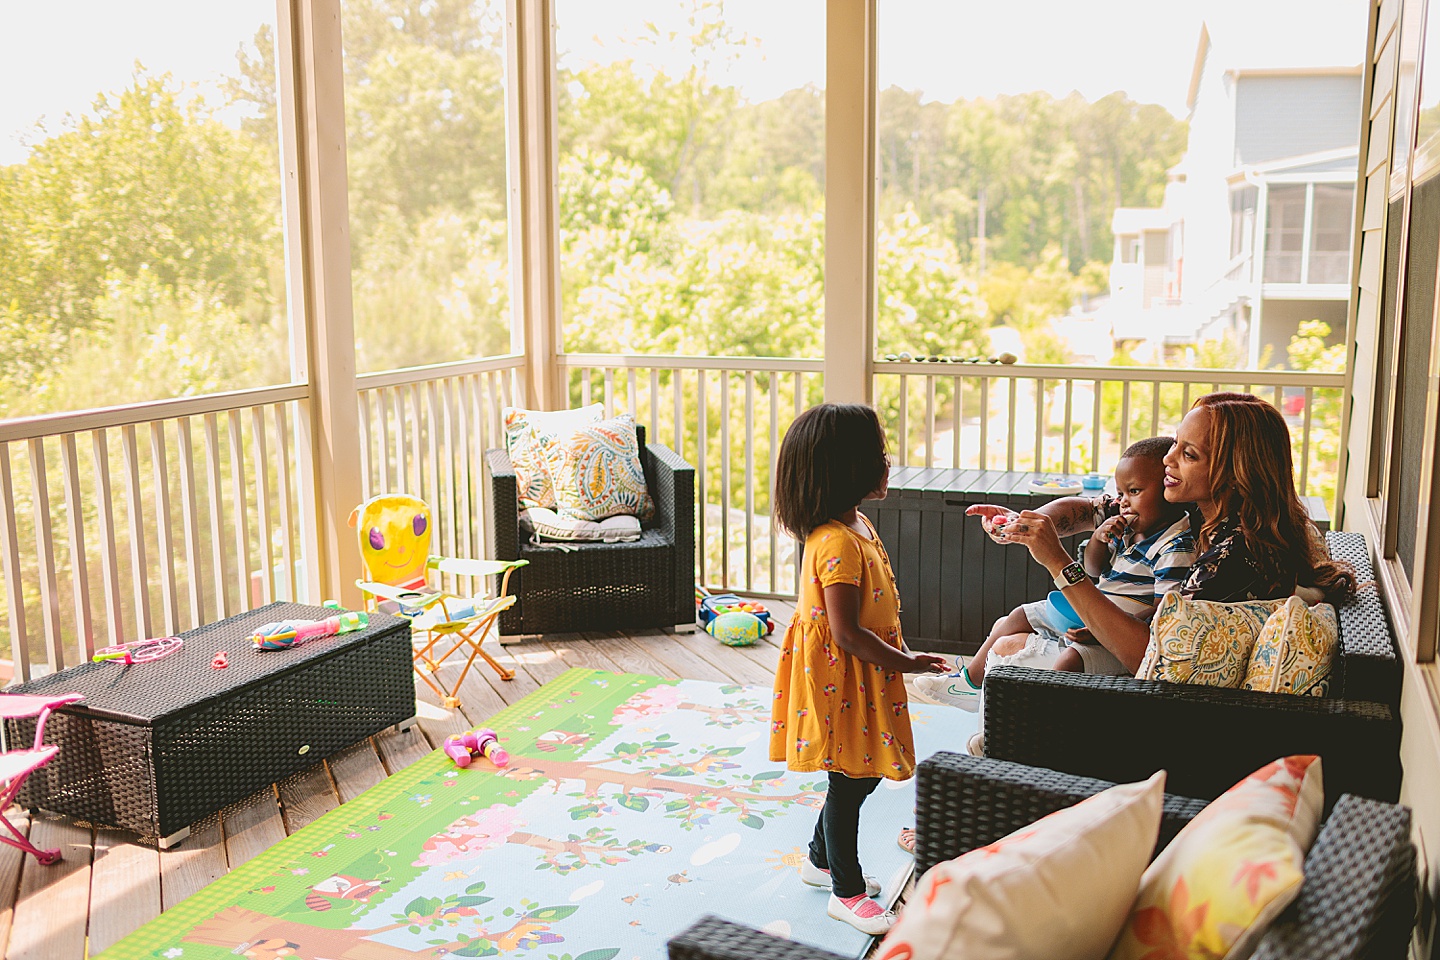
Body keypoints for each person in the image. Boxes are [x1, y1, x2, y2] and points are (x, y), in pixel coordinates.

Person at [966, 392, 1355, 679]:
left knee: (1008, 651)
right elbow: (1085, 510)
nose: (1168, 459)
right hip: (1120, 642)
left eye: (1189, 455)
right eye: (1175, 444)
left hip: (1148, 692)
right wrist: (1025, 522)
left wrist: (1058, 563)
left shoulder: (1236, 556)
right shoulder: (1190, 505)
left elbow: (1152, 655)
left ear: (1236, 473)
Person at [769, 403, 949, 935]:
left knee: (860, 774)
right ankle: (843, 891)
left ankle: (819, 859)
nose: (887, 463)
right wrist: (907, 662)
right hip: (840, 678)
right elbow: (846, 633)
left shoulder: (857, 524)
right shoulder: (835, 542)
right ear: (845, 469)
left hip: (861, 674)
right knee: (850, 780)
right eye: (878, 455)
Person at [913, 437, 1195, 710]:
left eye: (1134, 492)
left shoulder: (1175, 546)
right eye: (1120, 493)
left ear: (1168, 488)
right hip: (1088, 612)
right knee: (1014, 617)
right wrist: (1098, 538)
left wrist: (1108, 627)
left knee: (1069, 661)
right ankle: (969, 685)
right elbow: (1094, 569)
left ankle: (1045, 723)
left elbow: (1163, 616)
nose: (1122, 502)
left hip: (1118, 633)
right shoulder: (1126, 528)